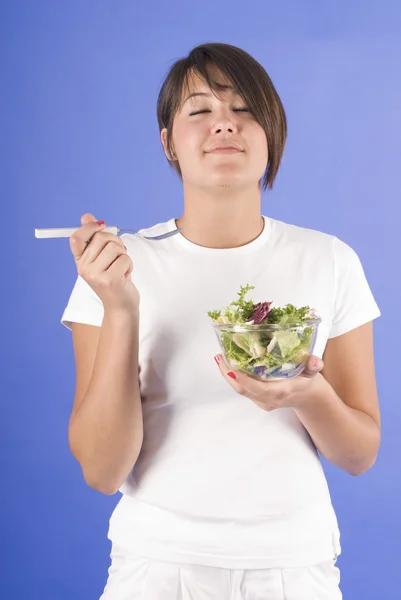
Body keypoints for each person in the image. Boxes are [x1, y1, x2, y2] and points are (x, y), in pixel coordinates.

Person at [61, 43, 381, 600]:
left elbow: (360, 453)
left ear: (272, 133)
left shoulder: (330, 260)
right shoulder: (118, 266)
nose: (225, 125)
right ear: (169, 143)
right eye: (200, 110)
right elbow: (102, 471)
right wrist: (120, 307)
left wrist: (306, 396)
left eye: (245, 109)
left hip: (294, 566)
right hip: (157, 567)